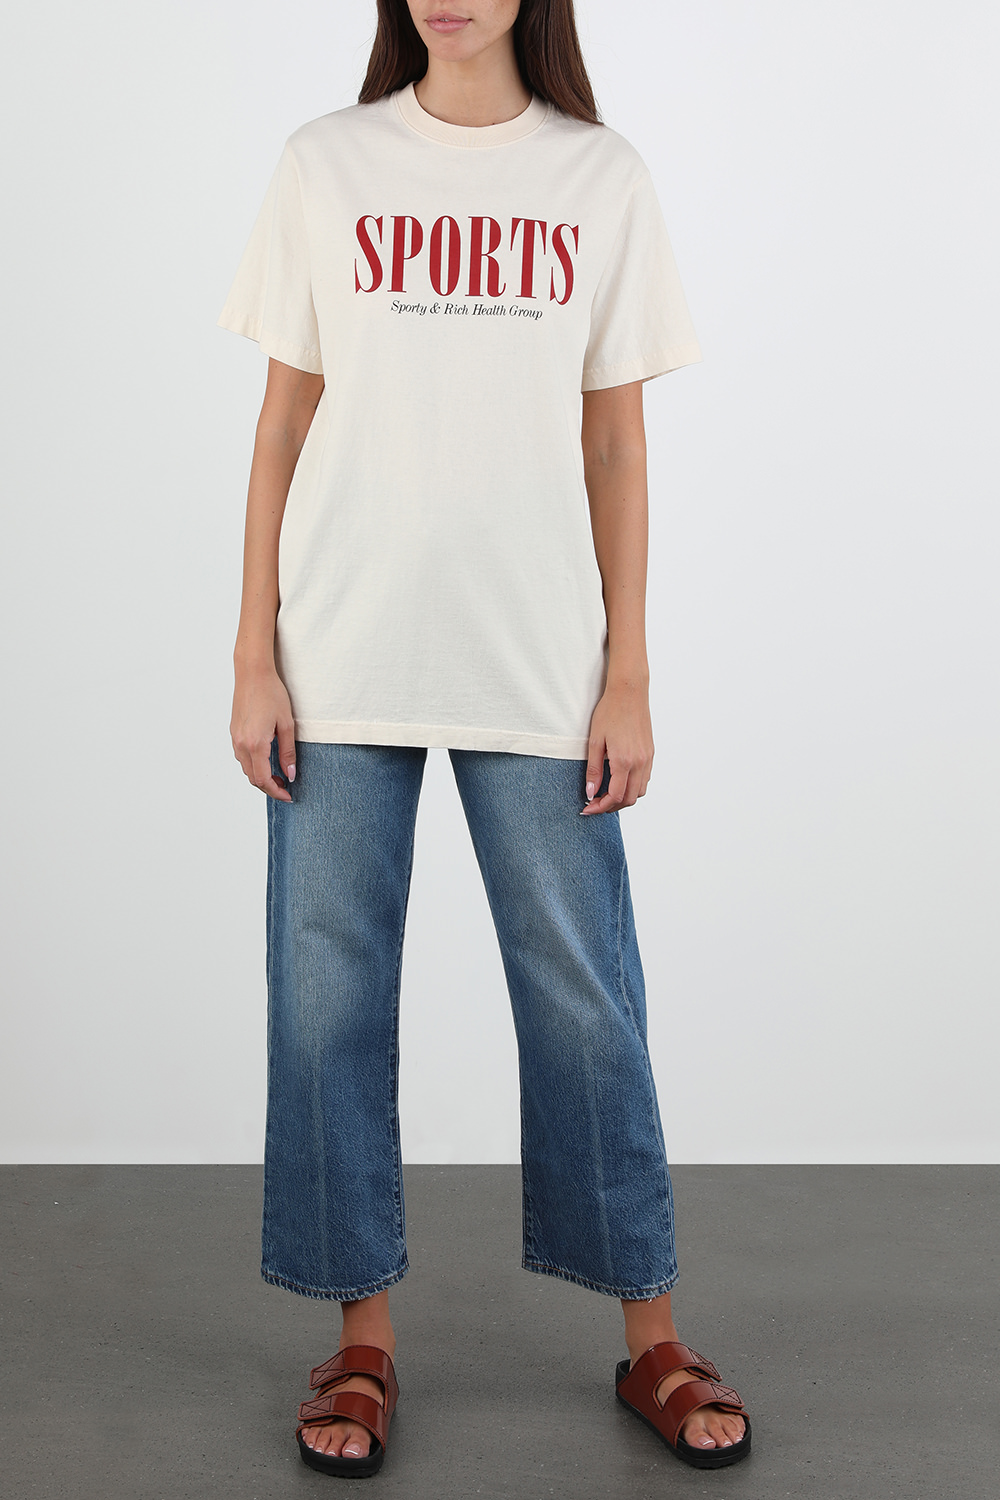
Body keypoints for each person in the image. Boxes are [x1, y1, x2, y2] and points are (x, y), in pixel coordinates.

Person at [218, 0, 752, 1479]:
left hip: (537, 664)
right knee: (326, 1004)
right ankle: (361, 1340)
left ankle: (652, 1338)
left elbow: (614, 440)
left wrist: (628, 669)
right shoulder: (326, 164)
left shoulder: (599, 176)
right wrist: (254, 651)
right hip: (340, 655)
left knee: (586, 999)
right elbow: (281, 426)